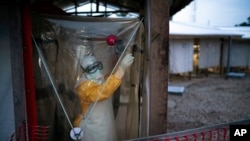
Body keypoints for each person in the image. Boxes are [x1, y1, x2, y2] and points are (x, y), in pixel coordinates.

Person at [72, 53, 134, 141]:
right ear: (85, 71)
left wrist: (118, 66)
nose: (97, 70)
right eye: (92, 68)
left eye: (97, 66)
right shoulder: (83, 87)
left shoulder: (99, 79)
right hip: (94, 126)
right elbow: (102, 92)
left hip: (105, 122)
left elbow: (110, 80)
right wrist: (121, 70)